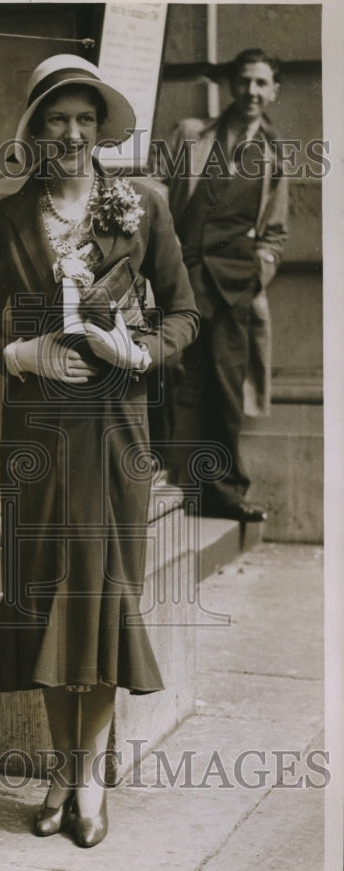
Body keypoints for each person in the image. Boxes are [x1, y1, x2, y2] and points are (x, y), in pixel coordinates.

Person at [0, 55, 199, 847]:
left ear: (100, 132)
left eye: (84, 120)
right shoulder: (6, 219)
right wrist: (20, 356)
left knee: (100, 599)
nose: (70, 133)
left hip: (113, 430)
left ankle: (90, 777)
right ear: (36, 129)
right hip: (35, 435)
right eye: (56, 119)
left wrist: (138, 354)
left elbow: (186, 314)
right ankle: (59, 772)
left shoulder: (142, 208)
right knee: (44, 597)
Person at [163, 48, 289, 521]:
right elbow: (159, 193)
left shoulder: (275, 154)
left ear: (274, 90)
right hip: (184, 275)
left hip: (236, 284)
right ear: (231, 86)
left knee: (226, 386)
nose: (252, 92)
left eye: (261, 83)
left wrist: (258, 272)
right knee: (165, 368)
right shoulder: (193, 135)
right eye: (244, 82)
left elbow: (276, 231)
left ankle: (223, 491)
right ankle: (158, 477)